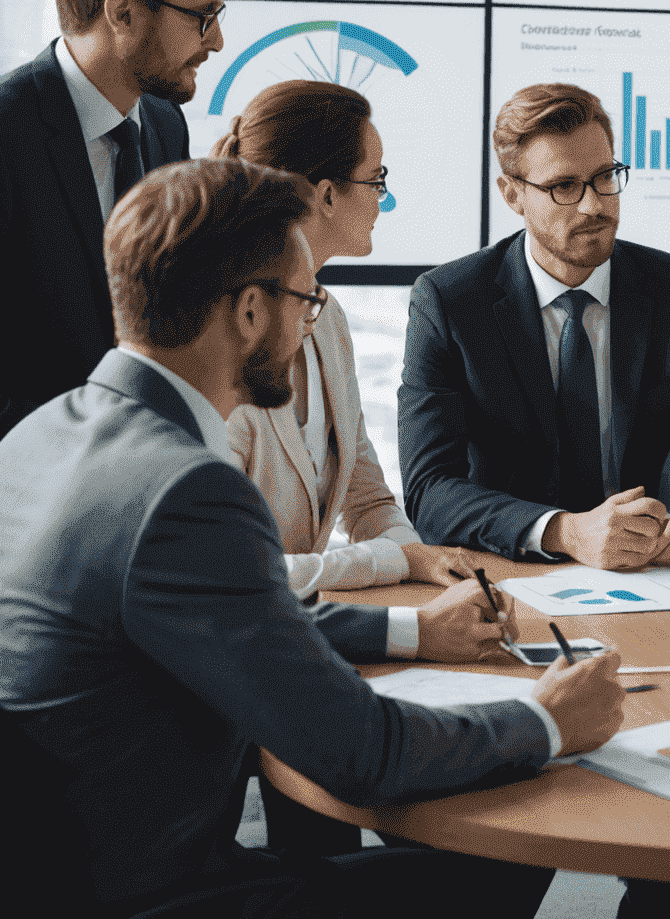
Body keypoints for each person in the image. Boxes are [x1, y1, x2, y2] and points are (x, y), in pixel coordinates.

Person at [0, 157, 624, 918]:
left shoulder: (41, 432)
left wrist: (412, 631)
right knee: (507, 852)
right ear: (250, 312)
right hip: (156, 894)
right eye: (305, 301)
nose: (309, 322)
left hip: (41, 874)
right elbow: (364, 753)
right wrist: (547, 719)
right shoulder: (188, 488)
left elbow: (226, 614)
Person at [399, 81, 670, 919]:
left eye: (607, 178)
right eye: (565, 186)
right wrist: (564, 531)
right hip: (517, 607)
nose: (595, 204)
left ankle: (666, 889)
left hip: (660, 602)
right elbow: (429, 487)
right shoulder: (450, 301)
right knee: (502, 853)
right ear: (512, 193)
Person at [212, 80, 502, 858]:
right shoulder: (227, 346)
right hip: (247, 681)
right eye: (377, 181)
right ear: (326, 193)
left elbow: (367, 486)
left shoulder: (324, 315)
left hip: (320, 651)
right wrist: (392, 564)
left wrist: (430, 566)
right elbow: (250, 578)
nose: (383, 199)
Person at [0, 0, 231, 464]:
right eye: (202, 16)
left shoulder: (166, 128)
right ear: (121, 13)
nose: (216, 40)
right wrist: (89, 469)